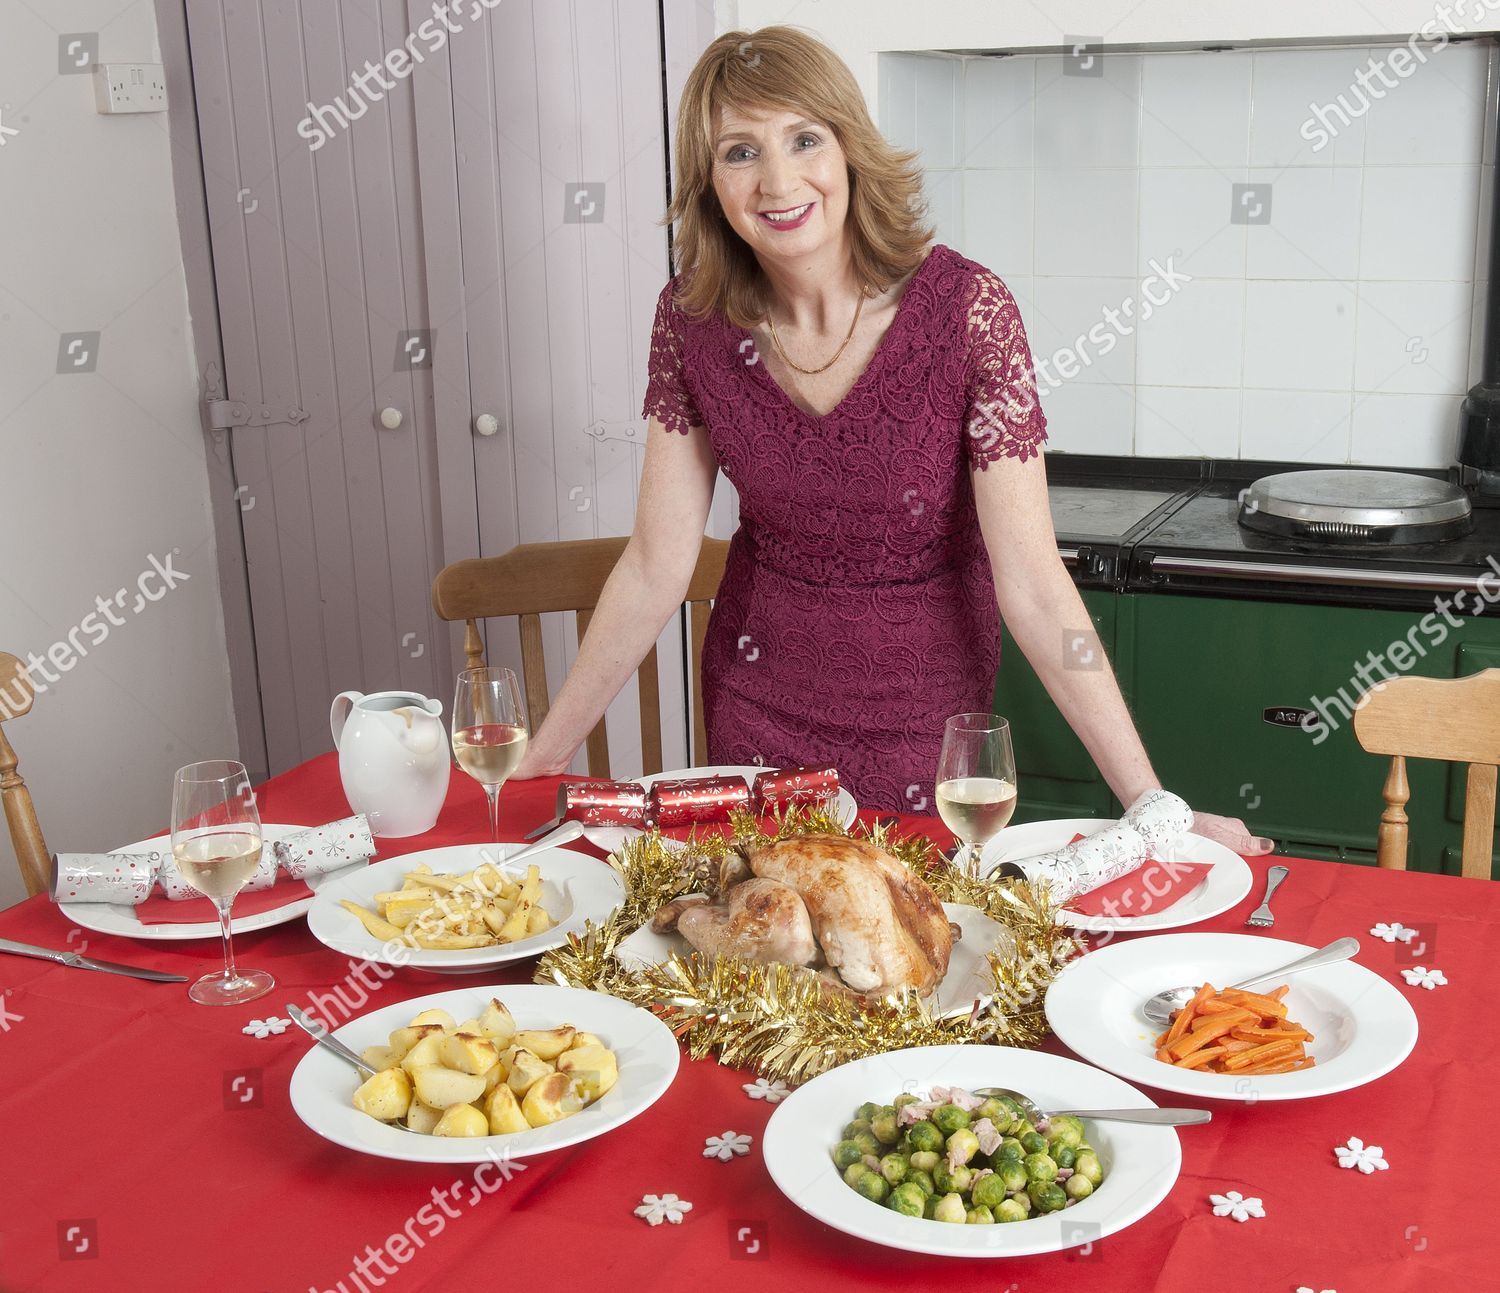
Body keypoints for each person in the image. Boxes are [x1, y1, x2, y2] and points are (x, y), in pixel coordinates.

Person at [512, 25, 1270, 856]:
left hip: (926, 720)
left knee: (907, 951)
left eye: (805, 138)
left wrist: (1150, 800)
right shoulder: (690, 321)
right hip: (757, 700)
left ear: (848, 151)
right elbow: (657, 564)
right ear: (709, 184)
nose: (778, 179)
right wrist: (539, 767)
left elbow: (1034, 583)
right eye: (739, 151)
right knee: (769, 948)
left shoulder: (969, 312)